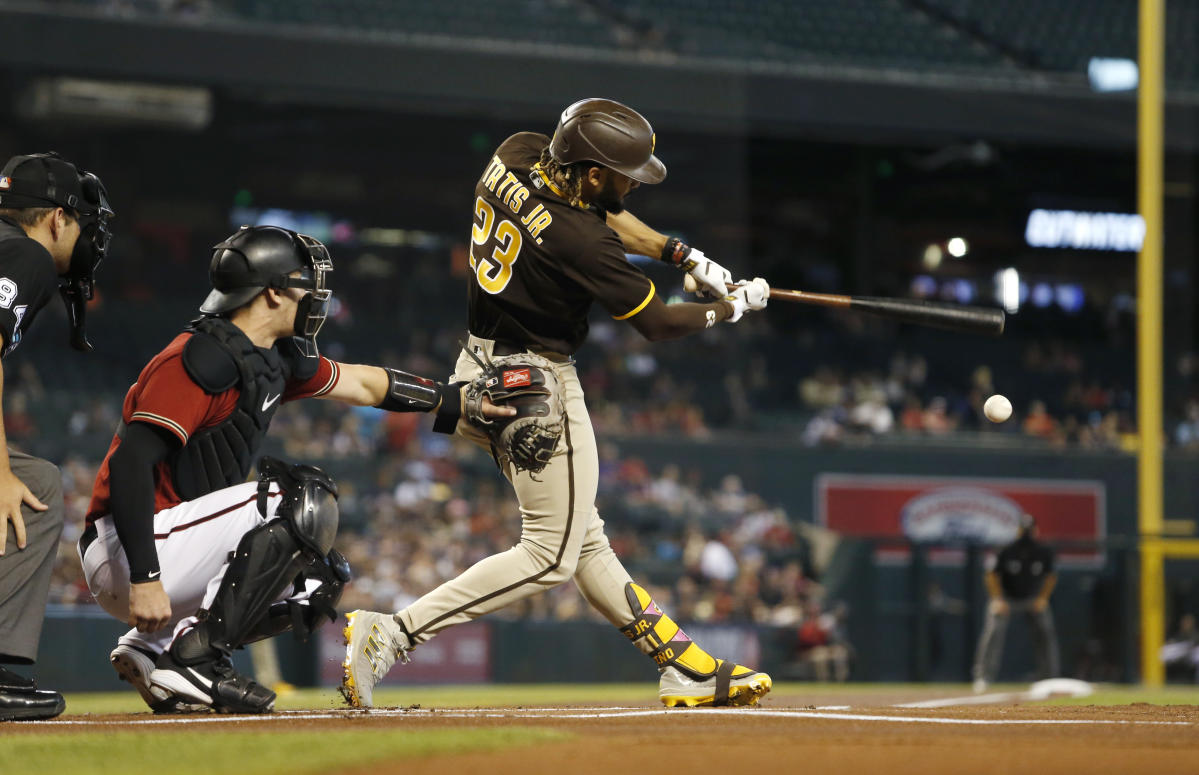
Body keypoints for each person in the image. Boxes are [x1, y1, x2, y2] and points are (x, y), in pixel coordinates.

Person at [342, 97, 772, 709]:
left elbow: (604, 216)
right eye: (624, 173)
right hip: (536, 381)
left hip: (480, 364)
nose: (632, 184)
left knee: (580, 536)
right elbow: (657, 323)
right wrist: (731, 306)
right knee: (550, 555)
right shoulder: (582, 243)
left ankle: (687, 666)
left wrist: (684, 256)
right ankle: (394, 633)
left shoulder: (516, 152)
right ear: (594, 172)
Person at [80, 225, 512, 714]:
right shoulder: (197, 359)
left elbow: (365, 385)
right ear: (272, 292)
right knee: (297, 500)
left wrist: (455, 401)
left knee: (315, 580)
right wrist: (145, 576)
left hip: (170, 546)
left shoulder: (269, 359)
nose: (316, 296)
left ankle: (153, 649)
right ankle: (195, 658)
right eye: (306, 284)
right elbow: (131, 465)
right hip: (128, 547)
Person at [0, 152, 113, 721]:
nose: (91, 236)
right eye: (85, 223)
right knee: (30, 489)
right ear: (55, 219)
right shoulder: (27, 252)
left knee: (36, 479)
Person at [972, 513, 1059, 692]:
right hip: (1007, 598)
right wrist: (997, 599)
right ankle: (982, 677)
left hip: (1032, 599)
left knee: (1045, 631)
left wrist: (1043, 598)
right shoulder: (1005, 550)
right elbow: (991, 575)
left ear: (1036, 530)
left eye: (1029, 529)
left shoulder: (1042, 551)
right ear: (1018, 530)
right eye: (1023, 529)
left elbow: (1051, 577)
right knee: (993, 630)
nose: (1026, 533)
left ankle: (1048, 678)